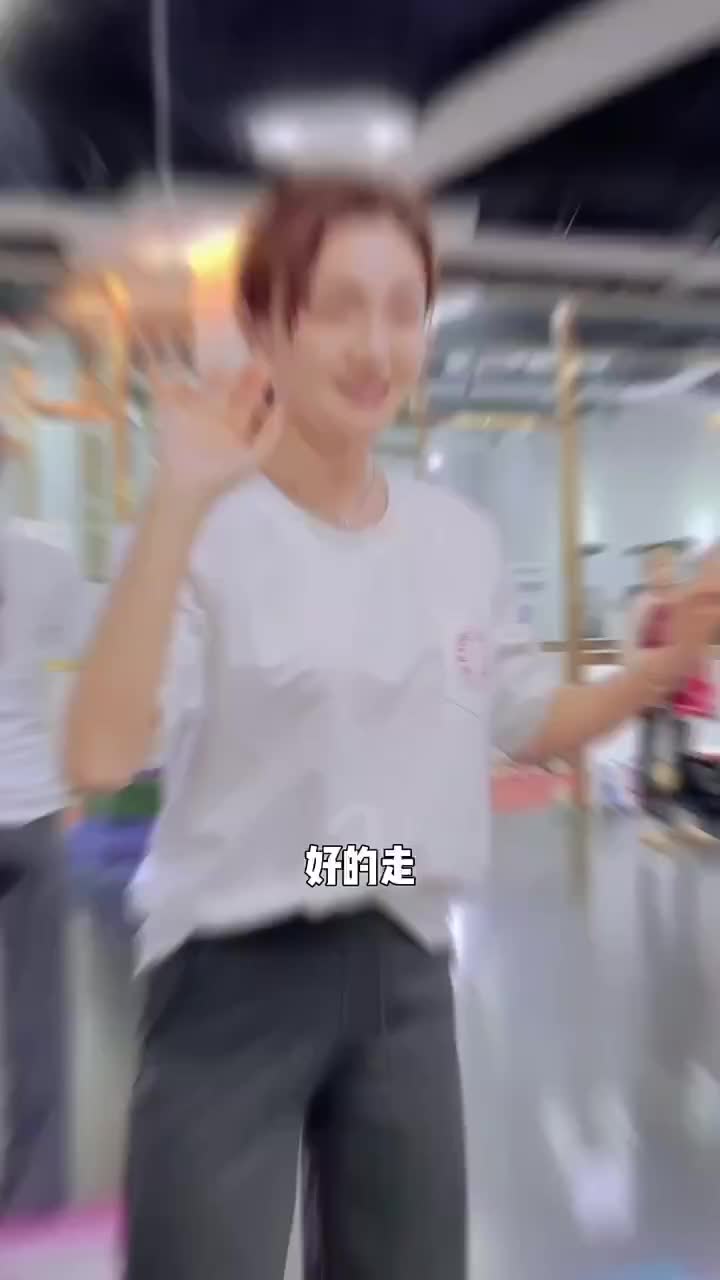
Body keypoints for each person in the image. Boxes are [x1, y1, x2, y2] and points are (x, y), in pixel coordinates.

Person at [64, 175, 720, 1280]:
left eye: (403, 310)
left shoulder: (455, 540)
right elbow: (98, 755)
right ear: (267, 324)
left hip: (405, 970)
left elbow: (532, 716)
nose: (376, 345)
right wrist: (173, 504)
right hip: (227, 981)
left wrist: (665, 662)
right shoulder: (204, 529)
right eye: (338, 308)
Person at [0, 428, 83, 1216]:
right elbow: (90, 656)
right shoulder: (44, 562)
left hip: (31, 806)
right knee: (38, 1027)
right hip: (29, 813)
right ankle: (32, 1202)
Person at [625, 546, 716, 850]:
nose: (664, 573)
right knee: (653, 757)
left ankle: (681, 817)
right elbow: (631, 650)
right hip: (653, 693)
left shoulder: (681, 601)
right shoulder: (643, 605)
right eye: (658, 568)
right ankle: (650, 821)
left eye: (669, 567)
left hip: (681, 694)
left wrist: (702, 685)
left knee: (680, 757)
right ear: (647, 573)